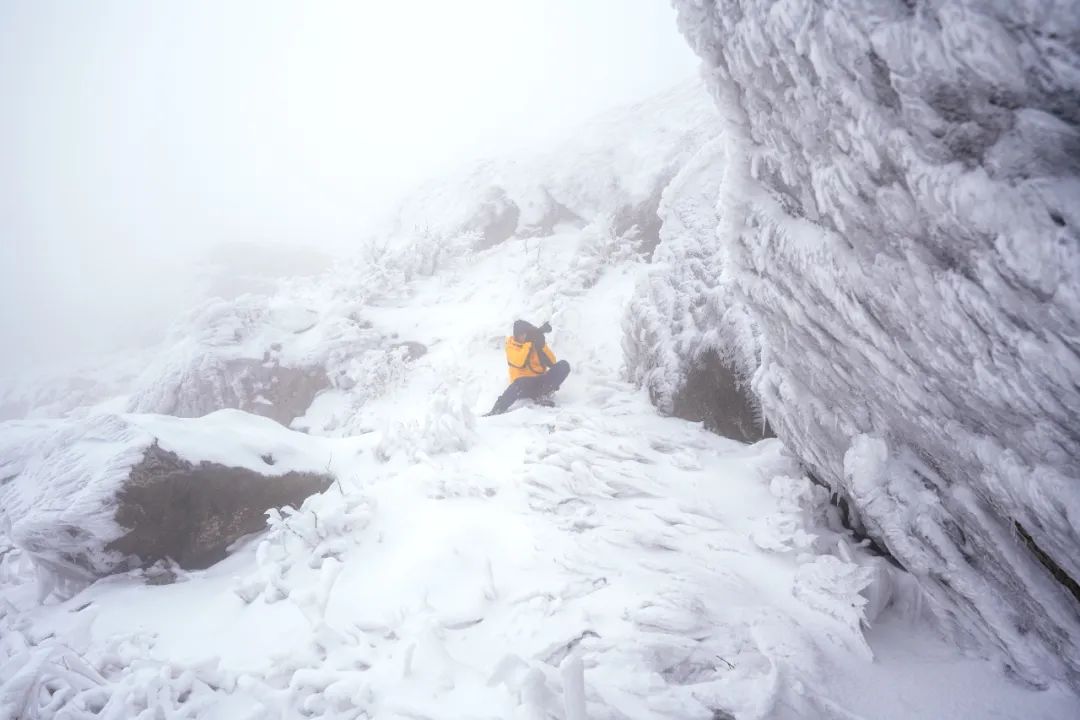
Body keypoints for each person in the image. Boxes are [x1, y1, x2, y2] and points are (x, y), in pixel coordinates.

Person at [484, 320, 571, 416]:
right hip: (524, 385)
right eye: (524, 334)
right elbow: (519, 362)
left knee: (563, 365)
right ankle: (497, 409)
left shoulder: (536, 344)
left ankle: (542, 395)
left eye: (527, 334)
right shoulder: (511, 346)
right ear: (517, 335)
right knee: (520, 384)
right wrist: (528, 344)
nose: (526, 336)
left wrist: (542, 346)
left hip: (540, 383)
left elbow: (552, 363)